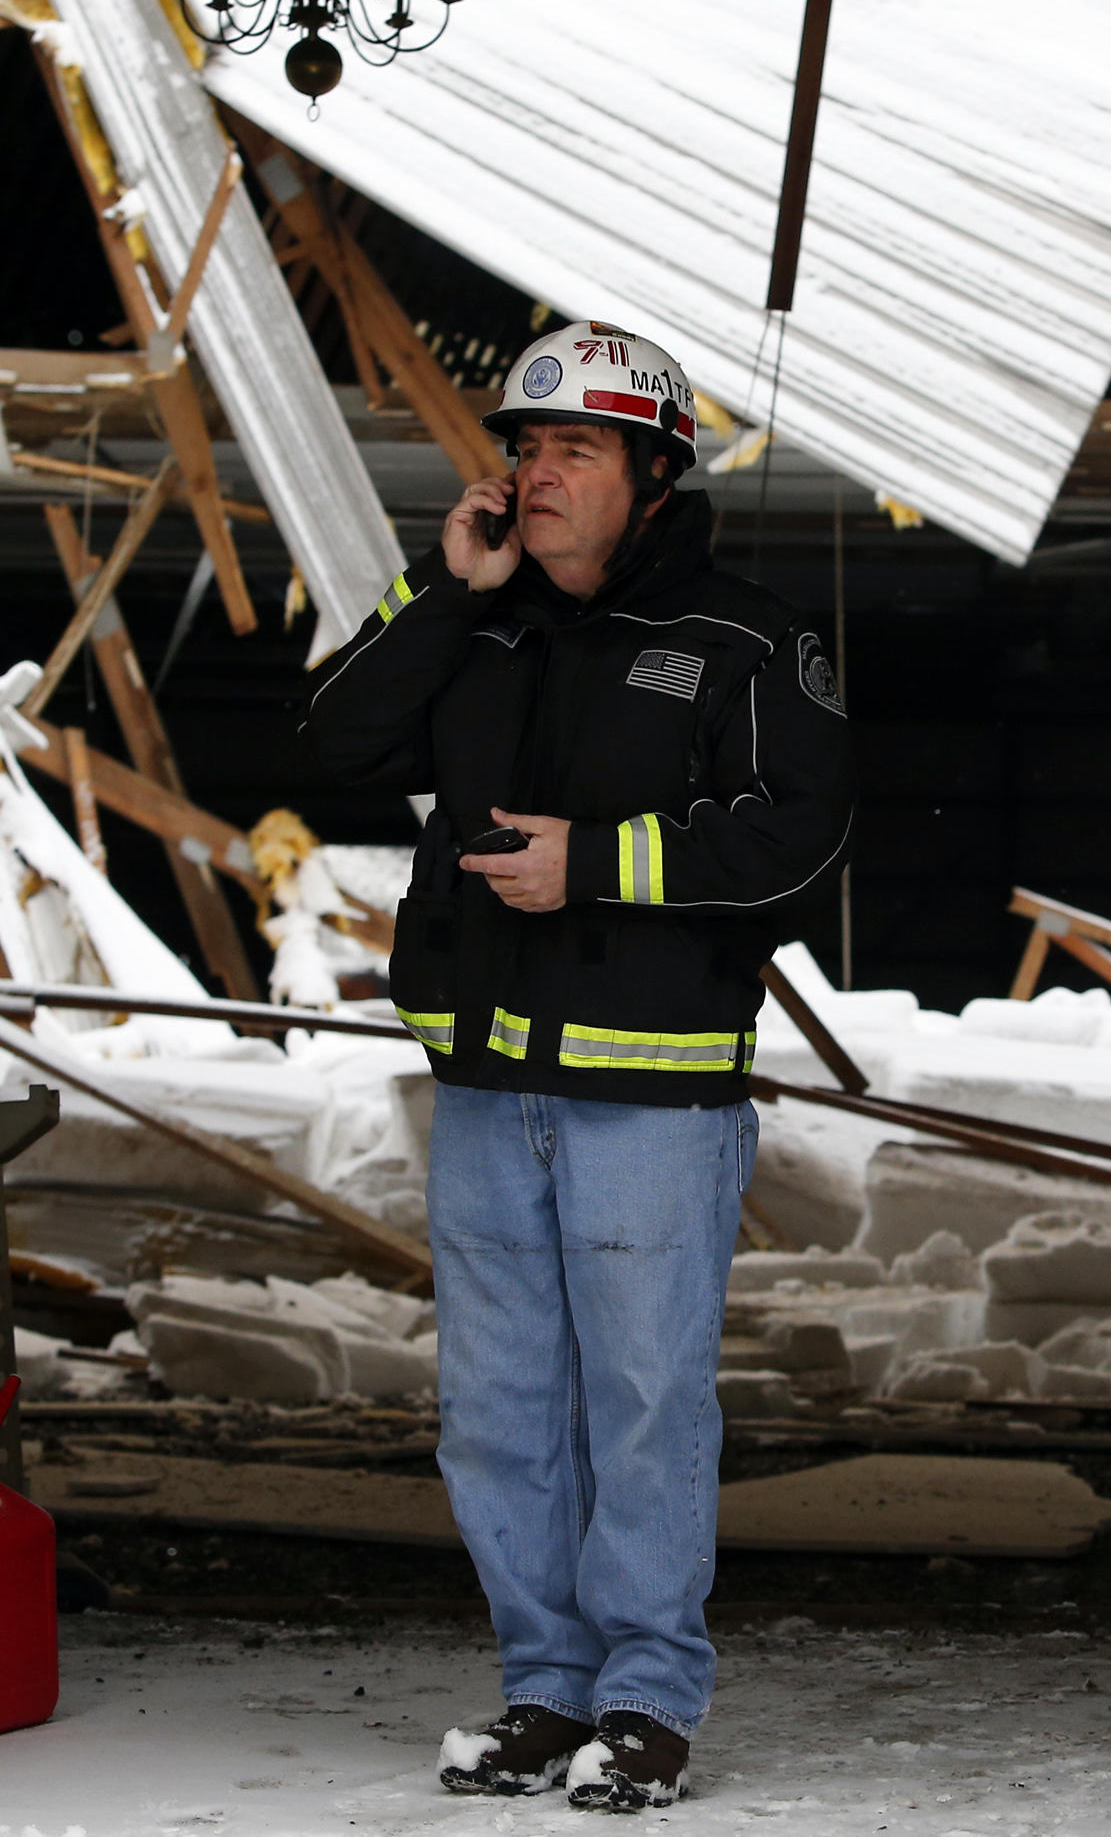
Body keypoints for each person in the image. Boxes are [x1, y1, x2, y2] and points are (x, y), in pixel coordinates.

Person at [303, 321, 852, 1812]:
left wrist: (599, 863)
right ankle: (544, 1688)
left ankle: (648, 1697)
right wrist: (440, 586)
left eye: (576, 451)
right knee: (496, 1408)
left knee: (642, 1398)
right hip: (487, 1085)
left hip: (653, 1098)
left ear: (654, 473)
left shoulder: (747, 640)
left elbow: (802, 838)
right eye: (525, 448)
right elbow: (333, 738)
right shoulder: (477, 621)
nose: (537, 473)